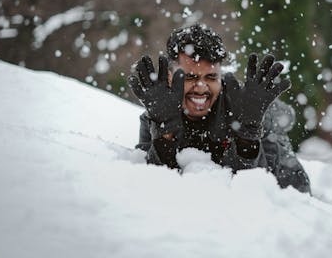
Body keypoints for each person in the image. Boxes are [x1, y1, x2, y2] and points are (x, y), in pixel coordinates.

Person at [128, 24, 310, 193]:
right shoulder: (157, 114)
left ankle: (282, 112)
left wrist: (247, 135)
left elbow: (262, 187)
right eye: (190, 77)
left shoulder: (250, 110)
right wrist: (164, 132)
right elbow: (155, 184)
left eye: (211, 77)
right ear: (169, 77)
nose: (201, 87)